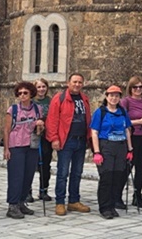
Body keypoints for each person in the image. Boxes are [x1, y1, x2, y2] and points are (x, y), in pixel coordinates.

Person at [46, 72, 92, 216]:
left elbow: (88, 118)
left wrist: (89, 138)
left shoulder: (84, 99)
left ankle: (73, 200)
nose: (77, 84)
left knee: (77, 172)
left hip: (81, 140)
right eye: (74, 82)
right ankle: (60, 202)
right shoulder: (59, 98)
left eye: (80, 82)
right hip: (66, 140)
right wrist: (54, 138)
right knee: (63, 172)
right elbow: (52, 120)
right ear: (68, 83)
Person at [90, 85, 134, 219]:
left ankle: (112, 205)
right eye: (111, 95)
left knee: (118, 177)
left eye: (116, 96)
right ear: (106, 96)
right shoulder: (100, 112)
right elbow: (94, 132)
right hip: (106, 146)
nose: (114, 98)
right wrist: (97, 152)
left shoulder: (122, 111)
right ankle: (104, 207)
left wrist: (130, 149)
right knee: (106, 177)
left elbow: (127, 130)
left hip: (120, 146)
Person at [3, 81, 45, 219]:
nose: (22, 95)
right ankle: (13, 205)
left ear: (31, 94)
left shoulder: (38, 109)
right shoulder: (13, 110)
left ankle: (21, 202)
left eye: (25, 93)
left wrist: (40, 125)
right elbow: (7, 130)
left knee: (28, 175)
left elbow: (39, 130)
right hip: (16, 146)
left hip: (31, 145)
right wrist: (6, 149)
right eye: (19, 93)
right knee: (16, 176)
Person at [121, 75, 142, 209]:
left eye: (140, 87)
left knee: (141, 167)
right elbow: (122, 121)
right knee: (127, 167)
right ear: (130, 88)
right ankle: (117, 195)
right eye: (135, 87)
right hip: (130, 137)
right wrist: (139, 122)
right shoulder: (125, 102)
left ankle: (137, 195)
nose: (138, 89)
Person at [32, 78, 53, 202]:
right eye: (38, 87)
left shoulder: (51, 101)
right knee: (31, 164)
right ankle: (27, 191)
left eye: (43, 86)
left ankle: (43, 190)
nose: (41, 89)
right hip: (33, 135)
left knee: (45, 164)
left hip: (47, 135)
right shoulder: (30, 101)